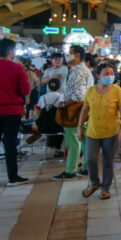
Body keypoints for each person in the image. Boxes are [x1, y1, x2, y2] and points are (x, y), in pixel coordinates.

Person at [0, 38, 30, 187]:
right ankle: (12, 177)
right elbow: (25, 90)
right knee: (10, 144)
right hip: (11, 110)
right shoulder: (17, 68)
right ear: (10, 51)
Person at [78, 63, 121, 199]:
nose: (110, 76)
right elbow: (85, 110)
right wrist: (79, 127)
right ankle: (94, 183)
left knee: (108, 161)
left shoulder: (117, 90)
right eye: (106, 73)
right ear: (98, 75)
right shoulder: (91, 91)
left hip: (111, 132)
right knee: (90, 158)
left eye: (112, 73)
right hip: (92, 131)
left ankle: (105, 188)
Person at [51, 45, 94, 180]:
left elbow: (78, 95)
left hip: (74, 112)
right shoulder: (85, 70)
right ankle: (86, 168)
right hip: (85, 110)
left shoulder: (77, 71)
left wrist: (65, 103)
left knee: (73, 141)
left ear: (77, 55)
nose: (66, 56)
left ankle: (71, 170)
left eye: (70, 53)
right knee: (85, 140)